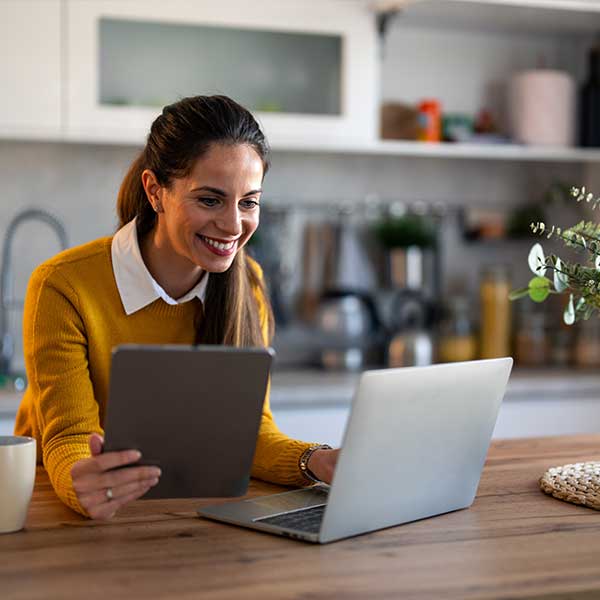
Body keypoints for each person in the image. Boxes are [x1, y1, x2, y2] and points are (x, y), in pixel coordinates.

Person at [14, 95, 339, 520]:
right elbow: (71, 437)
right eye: (209, 200)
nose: (233, 225)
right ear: (155, 191)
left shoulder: (248, 285)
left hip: (187, 514)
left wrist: (316, 460)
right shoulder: (65, 286)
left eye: (248, 202)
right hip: (67, 515)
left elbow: (245, 435)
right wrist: (84, 481)